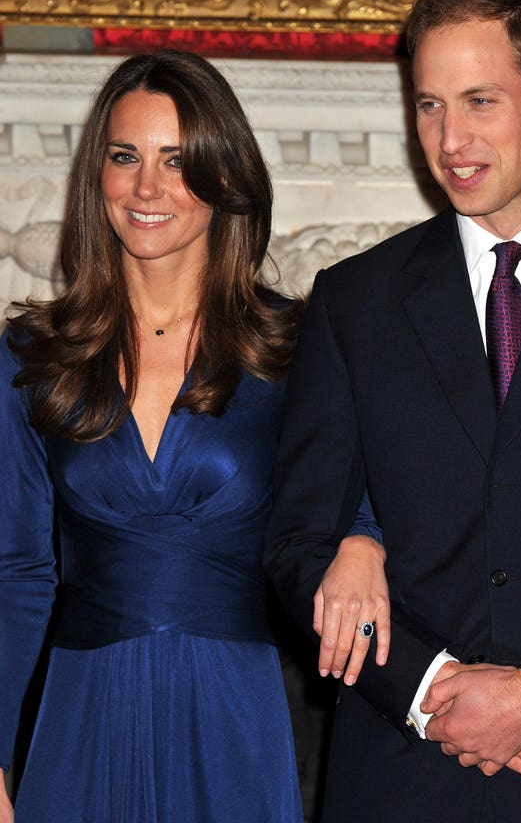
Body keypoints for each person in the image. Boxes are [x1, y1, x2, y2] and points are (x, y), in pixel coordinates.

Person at [264, 0, 521, 822]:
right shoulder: (354, 301)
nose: (450, 139)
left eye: (479, 100)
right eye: (428, 105)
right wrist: (432, 692)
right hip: (401, 777)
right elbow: (296, 544)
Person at [0, 49, 311, 822]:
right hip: (78, 712)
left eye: (177, 161)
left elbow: (350, 522)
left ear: (224, 176)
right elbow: (16, 572)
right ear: (95, 175)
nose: (147, 187)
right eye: (125, 156)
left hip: (236, 716)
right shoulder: (31, 357)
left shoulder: (297, 351)